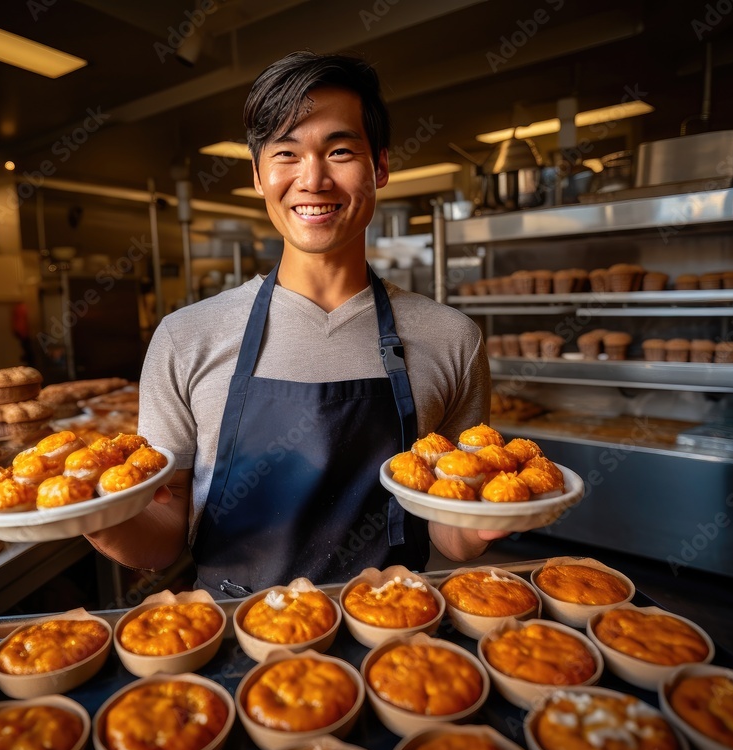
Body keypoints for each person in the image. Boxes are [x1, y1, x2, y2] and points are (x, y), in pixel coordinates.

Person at [86, 51, 505, 597]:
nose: (313, 178)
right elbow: (165, 539)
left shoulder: (452, 339)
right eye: (286, 153)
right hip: (236, 644)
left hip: (392, 642)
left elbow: (450, 529)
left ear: (379, 166)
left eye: (338, 151)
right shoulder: (186, 338)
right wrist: (94, 517)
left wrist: (484, 523)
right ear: (259, 176)